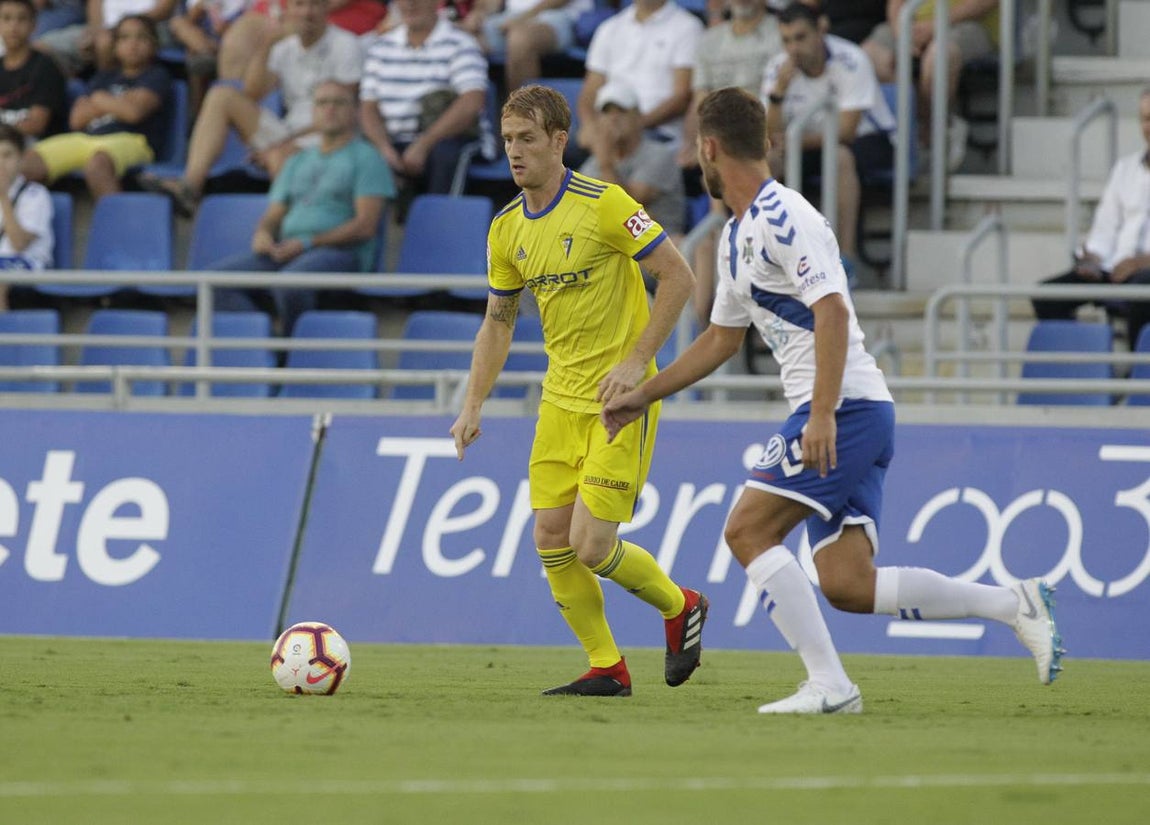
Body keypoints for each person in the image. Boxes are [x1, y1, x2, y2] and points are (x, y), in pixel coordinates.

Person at [602, 87, 1064, 714]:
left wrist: (820, 413)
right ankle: (1016, 605)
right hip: (851, 409)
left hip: (842, 408)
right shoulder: (738, 236)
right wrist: (644, 395)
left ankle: (831, 685)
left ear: (709, 149)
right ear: (762, 141)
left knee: (746, 531)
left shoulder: (784, 217)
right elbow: (719, 340)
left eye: (696, 151)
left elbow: (834, 311)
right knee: (848, 584)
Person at [450, 84, 707, 697]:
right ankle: (607, 667)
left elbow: (679, 276)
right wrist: (473, 402)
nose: (515, 152)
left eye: (527, 139)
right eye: (508, 139)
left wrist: (638, 361)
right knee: (549, 538)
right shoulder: (506, 229)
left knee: (591, 545)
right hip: (558, 401)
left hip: (620, 401)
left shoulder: (605, 203)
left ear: (560, 142)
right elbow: (498, 321)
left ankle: (681, 605)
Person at [140, 0, 362, 216]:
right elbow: (253, 94)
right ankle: (189, 187)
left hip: (327, 136)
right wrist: (267, 44)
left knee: (281, 157)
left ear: (326, 8)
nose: (307, 12)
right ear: (288, 10)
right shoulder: (285, 46)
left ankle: (291, 231)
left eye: (315, 4)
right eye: (299, 4)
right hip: (290, 133)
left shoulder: (345, 44)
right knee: (222, 96)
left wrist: (284, 145)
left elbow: (342, 115)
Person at [206, 81, 394, 336]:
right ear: (313, 112)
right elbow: (274, 214)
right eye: (322, 103)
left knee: (291, 284)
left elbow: (365, 226)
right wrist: (262, 234)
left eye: (339, 103)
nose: (330, 109)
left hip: (341, 253)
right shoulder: (297, 160)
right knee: (214, 282)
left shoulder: (367, 157)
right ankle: (264, 344)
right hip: (289, 249)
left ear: (355, 111)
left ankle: (294, 351)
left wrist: (308, 243)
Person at [762, 1, 895, 274]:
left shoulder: (851, 58)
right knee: (767, 162)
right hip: (806, 143)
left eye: (801, 37)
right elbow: (770, 134)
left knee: (839, 156)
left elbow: (847, 131)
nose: (793, 48)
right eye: (786, 40)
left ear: (821, 29)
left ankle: (844, 258)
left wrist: (794, 141)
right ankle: (774, 259)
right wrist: (778, 93)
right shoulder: (779, 69)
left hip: (868, 141)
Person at [679, 0, 781, 327]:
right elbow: (700, 105)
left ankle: (728, 220)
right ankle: (698, 326)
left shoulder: (779, 35)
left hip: (765, 134)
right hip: (720, 137)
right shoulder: (709, 42)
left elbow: (780, 97)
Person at [1032, 87, 1150, 347]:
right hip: (1115, 268)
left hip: (1144, 273)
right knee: (1047, 296)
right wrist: (1094, 258)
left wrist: (1142, 262)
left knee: (1143, 289)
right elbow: (1106, 226)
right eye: (1145, 119)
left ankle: (1137, 376)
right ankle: (1079, 369)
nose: (1148, 126)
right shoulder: (1125, 168)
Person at [22, 14, 171, 200]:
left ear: (154, 44)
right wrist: (120, 103)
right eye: (125, 38)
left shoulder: (157, 75)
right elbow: (76, 120)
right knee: (26, 163)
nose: (133, 44)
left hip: (134, 140)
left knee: (98, 164)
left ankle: (116, 225)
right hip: (86, 139)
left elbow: (134, 113)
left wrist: (99, 100)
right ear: (115, 45)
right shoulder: (104, 77)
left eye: (141, 37)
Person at [360, 0, 490, 207]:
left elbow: (472, 102)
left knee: (446, 154)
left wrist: (423, 144)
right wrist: (383, 148)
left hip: (448, 139)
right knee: (357, 154)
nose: (410, 4)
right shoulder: (381, 47)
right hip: (393, 141)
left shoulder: (461, 43)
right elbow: (368, 107)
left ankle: (442, 225)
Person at [862, 0, 1000, 172]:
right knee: (869, 56)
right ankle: (906, 133)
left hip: (968, 23)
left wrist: (937, 24)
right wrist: (901, 31)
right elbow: (896, 3)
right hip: (912, 24)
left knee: (938, 57)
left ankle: (932, 133)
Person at [576, 0, 703, 152]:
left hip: (658, 131)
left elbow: (681, 96)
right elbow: (590, 90)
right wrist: (590, 125)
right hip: (608, 128)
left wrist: (631, 127)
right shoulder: (609, 28)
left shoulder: (688, 27)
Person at [579, 81, 685, 237]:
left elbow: (628, 208)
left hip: (660, 245)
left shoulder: (659, 155)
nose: (613, 118)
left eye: (621, 111)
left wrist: (606, 165)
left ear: (638, 117)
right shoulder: (593, 164)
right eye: (606, 112)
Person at [459, 0, 591, 93]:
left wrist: (523, 19)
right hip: (510, 17)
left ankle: (523, 123)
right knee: (462, 37)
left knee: (520, 39)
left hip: (561, 16)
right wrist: (479, 13)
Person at [35, 0, 178, 75]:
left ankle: (107, 87)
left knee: (105, 42)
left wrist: (119, 30)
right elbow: (94, 4)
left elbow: (163, 10)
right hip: (102, 28)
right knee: (41, 47)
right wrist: (95, 31)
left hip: (148, 27)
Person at [0, 124, 54, 309]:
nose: (1, 163)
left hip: (28, 263)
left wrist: (4, 198)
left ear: (21, 159)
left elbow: (19, 244)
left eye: (7, 155)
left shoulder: (36, 195)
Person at [0, 0, 69, 139]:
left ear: (34, 25)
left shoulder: (46, 67)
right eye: (6, 18)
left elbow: (36, 126)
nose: (14, 25)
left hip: (38, 148)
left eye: (22, 18)